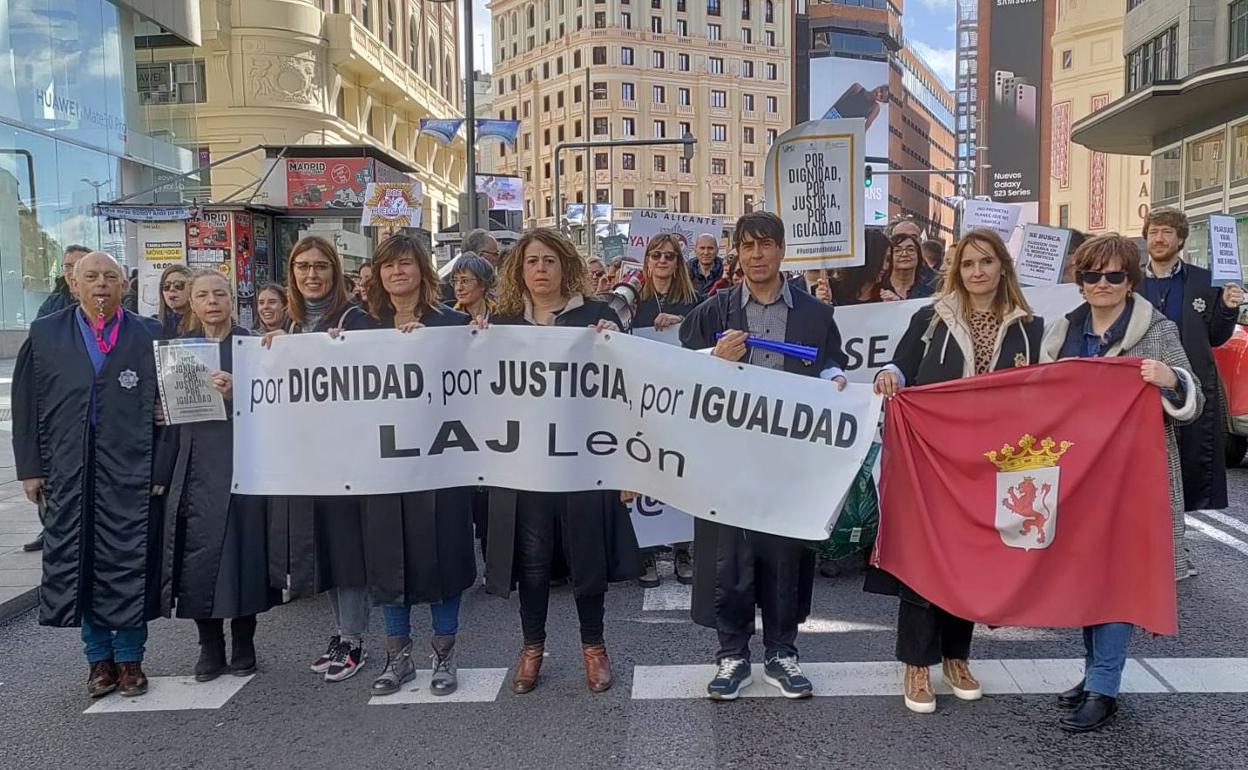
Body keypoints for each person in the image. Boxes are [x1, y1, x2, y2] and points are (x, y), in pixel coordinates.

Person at [870, 228, 1043, 714]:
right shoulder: (931, 318)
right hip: (933, 460)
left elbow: (1047, 384)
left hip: (993, 465)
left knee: (971, 561)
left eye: (986, 262)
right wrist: (890, 376)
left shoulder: (1030, 325)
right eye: (968, 264)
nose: (977, 272)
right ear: (957, 270)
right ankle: (916, 663)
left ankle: (956, 656)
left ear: (1002, 267)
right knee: (926, 560)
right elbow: (902, 366)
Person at [679, 211, 849, 701]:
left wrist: (832, 378)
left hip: (788, 455)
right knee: (728, 554)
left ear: (782, 250)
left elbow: (831, 360)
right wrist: (712, 360)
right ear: (737, 251)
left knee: (783, 554)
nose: (756, 255)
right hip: (727, 455)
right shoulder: (716, 309)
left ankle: (782, 651)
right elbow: (675, 364)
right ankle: (732, 653)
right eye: (747, 246)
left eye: (766, 245)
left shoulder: (815, 315)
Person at [1040, 234, 1202, 732]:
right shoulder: (1062, 332)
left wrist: (1171, 378)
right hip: (1080, 478)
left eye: (1114, 275)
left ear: (1130, 280)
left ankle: (1104, 688)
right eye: (1092, 275)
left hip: (1135, 479)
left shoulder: (1156, 328)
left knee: (1118, 579)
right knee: (1089, 576)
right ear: (1080, 281)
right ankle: (1093, 675)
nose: (1102, 284)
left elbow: (1192, 399)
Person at [485, 227, 641, 695]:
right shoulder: (503, 324)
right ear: (520, 269)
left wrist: (616, 342)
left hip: (583, 461)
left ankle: (594, 647)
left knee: (586, 558)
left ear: (564, 267)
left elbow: (625, 387)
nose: (540, 270)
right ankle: (532, 648)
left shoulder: (597, 317)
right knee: (532, 562)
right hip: (525, 465)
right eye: (532, 261)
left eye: (549, 261)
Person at [13, 251, 165, 698]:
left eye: (110, 277)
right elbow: (26, 408)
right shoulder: (45, 334)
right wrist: (31, 469)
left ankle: (131, 659)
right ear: (74, 284)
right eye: (92, 277)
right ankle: (98, 660)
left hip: (131, 467)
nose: (101, 285)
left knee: (129, 560)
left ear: (125, 286)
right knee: (80, 563)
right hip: (68, 468)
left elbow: (173, 399)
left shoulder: (148, 333)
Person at [361, 234, 477, 697]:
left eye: (406, 264)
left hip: (441, 463)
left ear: (423, 271)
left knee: (443, 560)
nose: (397, 273)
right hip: (383, 465)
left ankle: (444, 656)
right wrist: (329, 348)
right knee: (390, 563)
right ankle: (398, 657)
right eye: (388, 266)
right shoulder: (360, 326)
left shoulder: (452, 323)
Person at [262, 235, 376, 682]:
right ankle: (341, 632)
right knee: (326, 546)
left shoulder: (358, 320)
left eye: (320, 266)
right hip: (305, 460)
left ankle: (354, 638)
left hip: (347, 457)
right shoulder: (289, 328)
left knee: (348, 549)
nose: (311, 275)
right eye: (303, 266)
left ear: (335, 272)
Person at [155, 271, 278, 682]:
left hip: (244, 462)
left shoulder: (254, 346)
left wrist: (239, 390)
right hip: (193, 466)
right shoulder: (179, 350)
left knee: (244, 556)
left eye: (220, 294)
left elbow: (278, 402)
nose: (212, 302)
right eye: (203, 295)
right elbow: (169, 421)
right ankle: (209, 645)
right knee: (196, 560)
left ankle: (245, 641)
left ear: (232, 300)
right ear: (191, 302)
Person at [1139, 210, 1242, 550]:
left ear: (1180, 239)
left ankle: (1175, 542)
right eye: (1154, 232)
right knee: (1142, 466)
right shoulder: (1129, 281)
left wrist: (1228, 308)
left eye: (1167, 232)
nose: (1159, 239)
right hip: (1140, 386)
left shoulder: (1203, 280)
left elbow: (1215, 337)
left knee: (1185, 464)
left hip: (1188, 387)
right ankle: (1143, 541)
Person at [631, 234, 700, 587]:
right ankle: (645, 553)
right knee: (643, 477)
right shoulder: (631, 303)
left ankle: (683, 550)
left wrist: (680, 324)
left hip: (681, 405)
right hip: (641, 405)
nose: (662, 261)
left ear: (678, 263)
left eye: (669, 256)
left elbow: (706, 341)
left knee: (680, 476)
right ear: (646, 260)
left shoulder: (692, 302)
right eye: (656, 255)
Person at [443, 229, 502, 303]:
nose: (497, 259)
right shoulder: (445, 291)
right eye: (495, 254)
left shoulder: (497, 284)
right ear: (481, 256)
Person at [35, 244, 90, 320]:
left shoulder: (103, 301)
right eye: (67, 266)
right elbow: (39, 329)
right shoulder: (52, 303)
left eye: (78, 266)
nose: (72, 272)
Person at [880, 233, 937, 302]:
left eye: (910, 250)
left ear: (918, 256)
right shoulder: (878, 289)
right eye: (897, 251)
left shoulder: (931, 291)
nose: (904, 254)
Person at [451, 252, 498, 322]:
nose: (458, 288)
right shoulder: (448, 318)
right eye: (455, 281)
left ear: (483, 284)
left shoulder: (500, 314)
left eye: (465, 281)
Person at [157, 264, 193, 338]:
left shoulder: (204, 323)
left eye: (178, 285)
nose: (171, 289)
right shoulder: (153, 324)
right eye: (166, 286)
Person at [688, 233, 724, 300]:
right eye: (702, 248)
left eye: (710, 248)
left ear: (717, 250)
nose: (706, 252)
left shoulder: (726, 271)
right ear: (695, 250)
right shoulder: (685, 271)